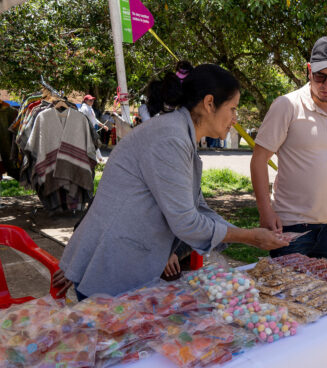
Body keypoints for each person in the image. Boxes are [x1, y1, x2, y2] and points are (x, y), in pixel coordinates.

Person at [53, 64, 288, 300]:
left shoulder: (178, 133)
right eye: (233, 109)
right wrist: (250, 237)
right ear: (209, 103)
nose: (235, 119)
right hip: (113, 269)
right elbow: (187, 222)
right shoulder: (170, 138)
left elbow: (197, 207)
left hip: (124, 264)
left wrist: (246, 232)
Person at [250, 36, 327, 264]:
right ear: (309, 70)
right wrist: (265, 212)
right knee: (286, 296)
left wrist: (326, 202)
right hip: (291, 226)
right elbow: (259, 159)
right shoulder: (286, 105)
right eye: (320, 76)